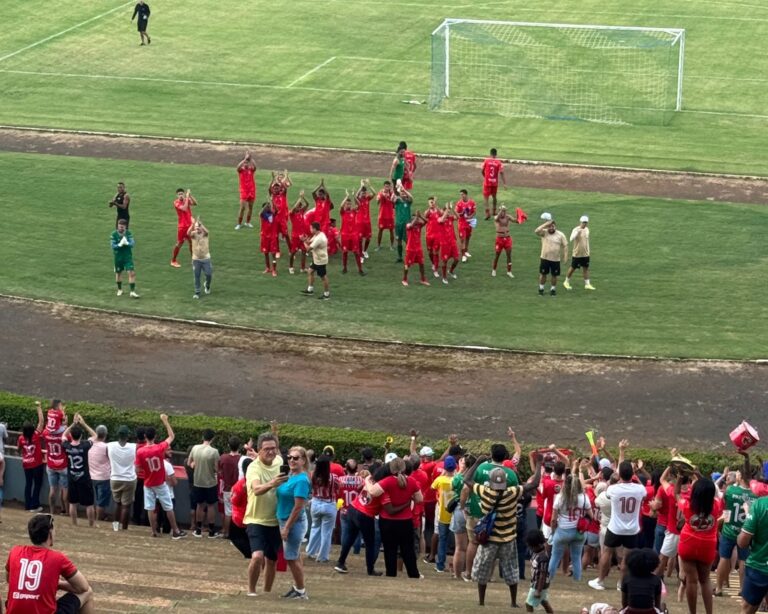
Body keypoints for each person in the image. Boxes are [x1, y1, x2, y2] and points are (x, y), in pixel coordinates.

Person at [463, 456, 543, 608]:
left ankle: (481, 601)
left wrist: (477, 463)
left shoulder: (485, 491)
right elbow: (534, 484)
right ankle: (513, 602)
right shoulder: (512, 492)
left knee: (483, 572)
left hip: (489, 539)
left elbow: (467, 480)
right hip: (508, 539)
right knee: (511, 571)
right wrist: (538, 464)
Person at [5, 514, 94, 613]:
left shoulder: (15, 552)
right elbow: (83, 587)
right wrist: (59, 584)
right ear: (50, 533)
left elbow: (9, 579)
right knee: (88, 592)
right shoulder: (57, 558)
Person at [589, 460, 648, 591]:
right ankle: (621, 584)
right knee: (627, 556)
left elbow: (609, 492)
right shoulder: (639, 489)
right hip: (632, 529)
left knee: (607, 552)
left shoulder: (613, 489)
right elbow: (643, 492)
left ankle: (600, 580)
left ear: (620, 474)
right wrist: (635, 476)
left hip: (615, 526)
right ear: (632, 474)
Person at [244, 432, 287, 597]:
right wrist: (272, 483)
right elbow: (256, 489)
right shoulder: (253, 468)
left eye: (274, 448)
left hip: (275, 519)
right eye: (267, 449)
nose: (271, 452)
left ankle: (267, 592)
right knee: (257, 557)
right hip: (256, 518)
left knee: (272, 559)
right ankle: (251, 591)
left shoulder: (279, 460)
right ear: (259, 450)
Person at [365, 458, 423, 578]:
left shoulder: (386, 482)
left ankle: (391, 573)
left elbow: (372, 491)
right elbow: (420, 499)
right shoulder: (411, 481)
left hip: (387, 521)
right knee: (408, 549)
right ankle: (413, 573)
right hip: (405, 521)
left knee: (389, 549)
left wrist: (367, 480)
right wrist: (409, 498)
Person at [135, 415, 186, 539]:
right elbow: (171, 436)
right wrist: (165, 421)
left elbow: (137, 469)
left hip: (148, 482)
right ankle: (175, 531)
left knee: (150, 507)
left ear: (145, 437)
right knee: (168, 507)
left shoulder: (140, 452)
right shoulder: (159, 448)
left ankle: (154, 531)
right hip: (160, 482)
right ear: (155, 436)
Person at [677, 477, 721, 614]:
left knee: (691, 581)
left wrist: (679, 479)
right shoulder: (717, 505)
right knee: (705, 580)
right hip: (707, 546)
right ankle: (709, 612)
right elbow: (716, 493)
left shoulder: (687, 505)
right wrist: (700, 475)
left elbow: (676, 494)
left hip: (688, 543)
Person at [715, 452, 755, 596]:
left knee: (724, 558)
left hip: (728, 530)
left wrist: (733, 481)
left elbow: (724, 499)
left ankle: (719, 588)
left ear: (740, 477)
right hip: (745, 531)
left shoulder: (731, 490)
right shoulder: (754, 495)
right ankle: (742, 589)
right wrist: (747, 459)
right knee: (743, 560)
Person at [335, 462, 383, 576]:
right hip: (365, 513)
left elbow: (359, 488)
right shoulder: (381, 485)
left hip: (354, 506)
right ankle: (370, 569)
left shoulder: (370, 479)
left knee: (350, 538)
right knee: (370, 543)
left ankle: (340, 562)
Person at [548, 460, 592, 582]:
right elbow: (591, 515)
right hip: (579, 532)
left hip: (563, 530)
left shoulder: (560, 498)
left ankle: (549, 578)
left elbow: (553, 519)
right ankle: (577, 579)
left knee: (555, 556)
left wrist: (553, 532)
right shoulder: (583, 497)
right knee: (577, 557)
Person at [276, 446, 311, 600]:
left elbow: (298, 507)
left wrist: (287, 527)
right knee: (294, 556)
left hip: (293, 523)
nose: (291, 460)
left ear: (303, 460)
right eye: (289, 457)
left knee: (291, 557)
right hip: (286, 520)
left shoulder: (302, 480)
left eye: (296, 458)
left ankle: (301, 591)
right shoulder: (292, 475)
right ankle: (298, 587)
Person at [61, 415, 97, 527]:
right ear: (81, 436)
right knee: (89, 504)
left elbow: (63, 435)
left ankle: (74, 524)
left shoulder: (66, 446)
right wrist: (83, 424)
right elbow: (95, 435)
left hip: (72, 477)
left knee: (72, 503)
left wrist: (72, 424)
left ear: (71, 435)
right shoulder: (85, 445)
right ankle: (91, 524)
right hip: (84, 478)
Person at [738, 490, 768, 614]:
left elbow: (743, 541)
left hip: (759, 566)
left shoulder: (760, 504)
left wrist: (749, 513)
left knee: (748, 608)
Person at [188, 429, 221, 538]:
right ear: (212, 439)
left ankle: (198, 530)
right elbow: (216, 469)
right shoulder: (214, 451)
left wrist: (195, 465)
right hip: (211, 482)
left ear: (203, 437)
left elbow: (189, 463)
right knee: (211, 506)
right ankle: (211, 531)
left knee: (199, 505)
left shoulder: (195, 448)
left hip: (197, 481)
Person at [306, 456, 340, 563]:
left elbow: (309, 488)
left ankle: (311, 551)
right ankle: (322, 556)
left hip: (315, 503)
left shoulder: (312, 475)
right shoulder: (333, 477)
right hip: (329, 504)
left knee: (314, 527)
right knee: (327, 532)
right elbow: (339, 487)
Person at [107, 425, 137, 531]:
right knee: (126, 506)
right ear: (127, 436)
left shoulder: (110, 445)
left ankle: (115, 527)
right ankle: (124, 527)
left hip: (115, 478)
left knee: (117, 503)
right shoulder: (134, 446)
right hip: (129, 479)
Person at [431, 456, 457, 573]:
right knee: (458, 543)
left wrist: (443, 474)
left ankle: (440, 565)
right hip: (455, 514)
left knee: (442, 540)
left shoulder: (440, 480)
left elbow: (432, 487)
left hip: (443, 513)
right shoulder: (457, 480)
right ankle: (457, 565)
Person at [19, 401, 45, 512]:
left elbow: (18, 449)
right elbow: (41, 422)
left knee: (28, 484)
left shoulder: (21, 438)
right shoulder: (36, 435)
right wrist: (39, 407)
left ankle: (27, 505)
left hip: (26, 464)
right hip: (37, 464)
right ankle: (34, 506)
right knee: (37, 485)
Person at [621, 548, 664, 613]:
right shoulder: (656, 580)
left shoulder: (627, 578)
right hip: (649, 611)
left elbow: (624, 602)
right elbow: (657, 604)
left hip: (631, 611)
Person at [534, 217, 568, 296]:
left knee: (554, 275)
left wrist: (565, 256)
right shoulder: (544, 233)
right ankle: (541, 288)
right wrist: (546, 224)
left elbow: (565, 246)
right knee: (543, 274)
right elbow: (536, 231)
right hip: (545, 258)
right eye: (550, 226)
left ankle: (553, 289)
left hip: (555, 259)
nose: (551, 228)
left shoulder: (560, 235)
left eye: (553, 226)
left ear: (555, 227)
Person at [44, 418, 69, 517]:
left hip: (50, 465)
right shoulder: (65, 435)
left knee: (53, 489)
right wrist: (66, 426)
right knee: (65, 489)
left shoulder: (46, 432)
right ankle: (66, 511)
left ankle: (51, 511)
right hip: (63, 466)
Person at [564, 215, 596, 291]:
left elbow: (586, 239)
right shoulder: (575, 229)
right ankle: (566, 282)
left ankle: (587, 284)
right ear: (580, 222)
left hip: (585, 254)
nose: (585, 224)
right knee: (573, 268)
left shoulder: (587, 229)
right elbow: (571, 239)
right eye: (584, 222)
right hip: (577, 254)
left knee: (585, 268)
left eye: (586, 222)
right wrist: (577, 233)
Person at [229, 457, 253, 559]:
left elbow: (235, 502)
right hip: (252, 516)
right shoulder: (257, 482)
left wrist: (232, 495)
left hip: (240, 517)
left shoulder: (240, 485)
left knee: (235, 537)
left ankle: (250, 554)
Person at [219, 436, 241, 540]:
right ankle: (234, 534)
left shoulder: (223, 457)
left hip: (227, 489)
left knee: (228, 512)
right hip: (239, 488)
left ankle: (226, 533)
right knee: (238, 512)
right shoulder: (241, 458)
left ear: (229, 445)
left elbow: (219, 471)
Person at [526, 529, 554, 613]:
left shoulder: (543, 558)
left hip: (538, 585)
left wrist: (538, 590)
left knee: (528, 604)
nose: (530, 548)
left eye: (531, 546)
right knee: (544, 601)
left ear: (538, 545)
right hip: (536, 583)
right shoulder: (536, 552)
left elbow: (543, 575)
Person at [301, 221, 330, 300]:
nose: (310, 229)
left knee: (323, 277)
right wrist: (305, 240)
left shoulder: (319, 239)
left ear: (314, 229)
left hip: (320, 261)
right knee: (310, 271)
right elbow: (309, 242)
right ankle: (310, 290)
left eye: (311, 228)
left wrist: (303, 241)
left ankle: (326, 294)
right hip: (317, 259)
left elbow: (308, 249)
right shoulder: (318, 234)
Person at [88, 425, 112, 521]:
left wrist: (84, 424)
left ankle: (98, 517)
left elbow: (92, 435)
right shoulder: (106, 447)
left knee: (96, 499)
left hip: (91, 477)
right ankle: (99, 520)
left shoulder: (90, 442)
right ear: (106, 435)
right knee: (101, 502)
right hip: (103, 478)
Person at [339, 191, 366, 276]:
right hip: (345, 235)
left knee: (356, 252)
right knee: (345, 252)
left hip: (353, 235)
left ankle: (360, 269)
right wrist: (346, 196)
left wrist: (355, 197)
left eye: (349, 204)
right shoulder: (343, 212)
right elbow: (340, 206)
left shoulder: (353, 211)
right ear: (345, 205)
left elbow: (359, 204)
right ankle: (344, 268)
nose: (348, 205)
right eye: (347, 204)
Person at [111, 219, 139, 298]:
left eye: (122, 227)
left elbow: (132, 244)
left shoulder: (128, 234)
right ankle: (119, 289)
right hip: (118, 257)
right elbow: (113, 246)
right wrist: (119, 245)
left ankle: (132, 292)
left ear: (125, 227)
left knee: (131, 273)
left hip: (127, 257)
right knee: (118, 273)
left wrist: (127, 243)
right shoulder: (113, 234)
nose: (120, 228)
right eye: (119, 227)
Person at [402, 211, 430, 287]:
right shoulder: (408, 225)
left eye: (416, 218)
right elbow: (410, 225)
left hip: (418, 248)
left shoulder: (419, 225)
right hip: (410, 248)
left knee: (421, 264)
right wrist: (416, 218)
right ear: (412, 219)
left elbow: (426, 221)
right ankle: (404, 279)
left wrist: (420, 216)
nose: (416, 220)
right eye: (414, 218)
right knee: (407, 265)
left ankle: (423, 279)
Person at [170, 189, 196, 268]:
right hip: (182, 227)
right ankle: (173, 260)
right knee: (179, 244)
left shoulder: (186, 200)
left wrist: (190, 196)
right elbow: (184, 208)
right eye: (179, 194)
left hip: (190, 226)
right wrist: (187, 198)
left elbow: (195, 203)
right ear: (177, 195)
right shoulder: (176, 202)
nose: (180, 195)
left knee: (192, 243)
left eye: (182, 194)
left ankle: (193, 260)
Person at [188, 218, 213, 299]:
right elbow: (188, 233)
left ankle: (207, 285)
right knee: (197, 276)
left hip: (206, 258)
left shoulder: (204, 234)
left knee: (209, 274)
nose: (197, 228)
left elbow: (207, 231)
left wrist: (201, 225)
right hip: (196, 259)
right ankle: (197, 292)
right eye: (196, 227)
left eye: (198, 227)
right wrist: (192, 224)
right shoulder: (193, 234)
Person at [270, 170, 293, 255]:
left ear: (280, 188)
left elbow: (285, 187)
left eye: (277, 188)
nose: (276, 189)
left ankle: (291, 250)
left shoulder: (283, 195)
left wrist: (280, 181)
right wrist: (273, 179)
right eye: (274, 188)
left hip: (282, 219)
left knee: (286, 235)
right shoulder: (273, 196)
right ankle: (277, 251)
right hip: (275, 219)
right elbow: (269, 188)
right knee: (275, 236)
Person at [482, 148, 507, 219]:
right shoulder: (498, 162)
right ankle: (494, 211)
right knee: (494, 197)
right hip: (494, 183)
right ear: (496, 154)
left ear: (490, 154)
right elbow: (501, 172)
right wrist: (504, 183)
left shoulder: (486, 161)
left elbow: (482, 171)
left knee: (486, 198)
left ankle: (487, 213)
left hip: (487, 182)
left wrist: (485, 177)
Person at [492, 206, 517, 278]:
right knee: (497, 255)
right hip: (499, 239)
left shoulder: (507, 217)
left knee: (509, 255)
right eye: (501, 211)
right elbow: (496, 218)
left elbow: (515, 220)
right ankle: (494, 269)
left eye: (504, 211)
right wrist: (501, 210)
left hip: (507, 238)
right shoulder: (497, 217)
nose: (503, 212)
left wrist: (520, 217)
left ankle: (509, 271)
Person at [438, 203, 460, 285]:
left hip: (452, 242)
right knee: (445, 261)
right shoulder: (440, 219)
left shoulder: (450, 218)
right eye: (445, 211)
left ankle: (450, 271)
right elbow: (441, 219)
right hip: (445, 244)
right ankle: (444, 277)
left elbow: (458, 217)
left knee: (457, 259)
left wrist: (453, 209)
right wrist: (447, 210)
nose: (447, 213)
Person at [288, 192, 310, 274]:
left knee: (304, 251)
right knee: (293, 252)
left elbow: (307, 204)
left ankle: (302, 268)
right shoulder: (292, 214)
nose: (299, 207)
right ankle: (290, 267)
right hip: (295, 236)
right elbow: (293, 208)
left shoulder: (301, 212)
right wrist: (300, 198)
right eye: (298, 206)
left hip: (302, 236)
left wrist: (303, 197)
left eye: (300, 206)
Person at [235, 151, 256, 230]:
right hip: (244, 191)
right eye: (245, 163)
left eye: (247, 163)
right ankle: (239, 224)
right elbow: (237, 167)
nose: (246, 164)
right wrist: (244, 159)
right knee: (242, 208)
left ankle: (247, 222)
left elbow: (255, 167)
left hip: (252, 190)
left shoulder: (251, 169)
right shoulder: (241, 170)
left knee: (251, 207)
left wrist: (251, 159)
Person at [393, 181, 413, 264]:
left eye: (404, 193)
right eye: (402, 193)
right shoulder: (397, 201)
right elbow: (393, 198)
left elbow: (411, 197)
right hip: (398, 224)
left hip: (407, 225)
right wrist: (397, 188)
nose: (404, 194)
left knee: (408, 241)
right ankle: (400, 257)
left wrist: (404, 189)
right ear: (399, 194)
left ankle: (410, 256)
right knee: (399, 240)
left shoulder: (408, 202)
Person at [455, 189, 477, 262]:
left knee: (468, 237)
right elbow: (456, 214)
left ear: (466, 194)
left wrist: (470, 217)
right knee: (462, 240)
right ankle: (463, 255)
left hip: (469, 223)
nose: (461, 196)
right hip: (461, 224)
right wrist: (461, 213)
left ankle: (466, 251)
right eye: (460, 195)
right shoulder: (459, 204)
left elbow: (474, 212)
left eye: (462, 194)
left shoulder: (472, 202)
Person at [355, 179, 374, 258]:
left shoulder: (367, 199)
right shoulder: (358, 200)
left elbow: (374, 193)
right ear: (360, 193)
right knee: (359, 239)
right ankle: (360, 255)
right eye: (362, 193)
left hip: (367, 222)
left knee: (368, 238)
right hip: (359, 222)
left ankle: (365, 251)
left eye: (365, 193)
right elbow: (355, 196)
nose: (364, 194)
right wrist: (361, 186)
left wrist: (369, 185)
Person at [259, 201, 279, 276]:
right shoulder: (263, 215)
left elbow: (277, 210)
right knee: (266, 254)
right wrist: (265, 207)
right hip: (265, 237)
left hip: (272, 237)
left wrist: (272, 203)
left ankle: (274, 270)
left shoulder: (273, 214)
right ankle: (267, 268)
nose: (269, 208)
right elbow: (260, 213)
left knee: (273, 254)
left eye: (269, 206)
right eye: (267, 207)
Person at [424, 197, 442, 277]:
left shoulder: (438, 210)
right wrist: (430, 208)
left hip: (437, 235)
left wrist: (436, 207)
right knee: (430, 252)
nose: (432, 203)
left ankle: (435, 269)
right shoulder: (427, 211)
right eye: (430, 202)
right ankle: (433, 263)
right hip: (429, 235)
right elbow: (425, 215)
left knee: (436, 252)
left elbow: (442, 214)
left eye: (433, 202)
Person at [376, 181, 395, 251]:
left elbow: (394, 202)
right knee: (380, 230)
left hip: (390, 215)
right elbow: (377, 202)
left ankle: (392, 246)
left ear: (390, 187)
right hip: (382, 215)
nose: (387, 188)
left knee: (391, 230)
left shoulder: (392, 193)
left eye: (388, 186)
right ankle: (378, 246)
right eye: (386, 186)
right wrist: (380, 197)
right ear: (384, 186)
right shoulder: (380, 192)